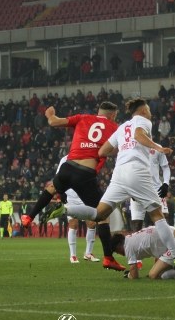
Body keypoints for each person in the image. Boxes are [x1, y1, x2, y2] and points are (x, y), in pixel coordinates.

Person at [52, 98, 175, 273]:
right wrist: (157, 147)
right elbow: (138, 136)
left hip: (119, 174)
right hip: (137, 171)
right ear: (142, 111)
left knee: (99, 213)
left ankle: (67, 209)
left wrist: (123, 149)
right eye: (148, 110)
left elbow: (102, 151)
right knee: (158, 215)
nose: (150, 113)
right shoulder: (144, 121)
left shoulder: (121, 127)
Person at [21, 101, 124, 270]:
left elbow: (53, 122)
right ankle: (108, 257)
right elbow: (114, 150)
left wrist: (49, 114)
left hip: (68, 167)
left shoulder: (82, 117)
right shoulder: (115, 127)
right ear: (112, 115)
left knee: (51, 188)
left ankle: (29, 217)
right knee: (102, 215)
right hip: (85, 173)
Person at [58, 155, 100, 263]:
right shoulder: (65, 159)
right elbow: (59, 176)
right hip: (71, 197)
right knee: (73, 224)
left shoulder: (87, 157)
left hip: (85, 195)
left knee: (92, 223)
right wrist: (62, 194)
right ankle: (73, 255)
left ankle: (88, 253)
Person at [130, 146, 171, 232]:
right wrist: (131, 188)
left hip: (156, 189)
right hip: (138, 189)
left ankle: (163, 244)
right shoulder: (131, 147)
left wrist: (166, 183)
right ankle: (138, 244)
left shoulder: (157, 148)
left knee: (164, 217)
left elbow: (165, 167)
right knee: (137, 224)